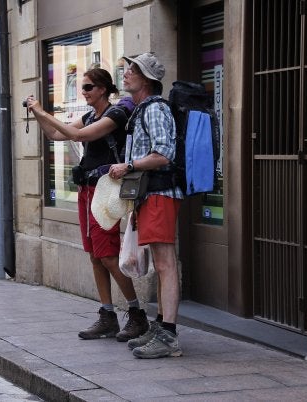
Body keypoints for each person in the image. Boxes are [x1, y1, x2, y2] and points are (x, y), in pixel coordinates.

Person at [26, 68, 149, 342]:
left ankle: (137, 314)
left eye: (89, 87)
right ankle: (107, 315)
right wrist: (37, 113)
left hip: (106, 190)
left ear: (103, 89)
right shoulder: (91, 115)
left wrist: (42, 110)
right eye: (83, 87)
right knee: (94, 254)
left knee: (107, 254)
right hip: (87, 189)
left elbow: (77, 136)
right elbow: (57, 136)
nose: (84, 92)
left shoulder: (114, 115)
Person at [108, 53, 184, 358]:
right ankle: (161, 328)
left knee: (165, 264)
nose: (126, 74)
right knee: (161, 264)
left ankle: (169, 336)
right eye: (127, 69)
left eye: (133, 70)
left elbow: (164, 154)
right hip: (152, 194)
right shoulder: (143, 109)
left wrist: (127, 166)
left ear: (147, 80)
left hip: (160, 193)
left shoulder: (154, 109)